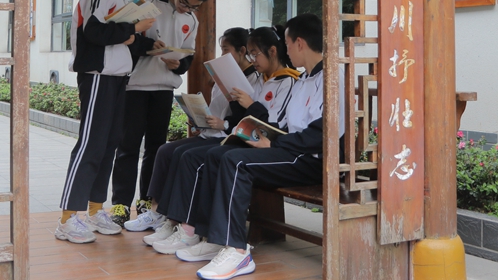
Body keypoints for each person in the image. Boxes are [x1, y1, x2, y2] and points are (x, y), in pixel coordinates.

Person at [193, 14, 341, 279]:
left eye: (287, 44)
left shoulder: (331, 78)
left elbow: (322, 135)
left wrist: (273, 142)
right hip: (292, 149)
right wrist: (260, 134)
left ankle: (237, 251)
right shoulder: (304, 79)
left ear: (299, 43)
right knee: (219, 154)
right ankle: (214, 238)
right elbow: (284, 124)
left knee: (237, 162)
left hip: (312, 159)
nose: (285, 50)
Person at [145, 25, 301, 259]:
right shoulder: (267, 79)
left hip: (263, 145)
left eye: (255, 54)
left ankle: (196, 230)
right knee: (179, 153)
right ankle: (181, 223)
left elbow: (272, 125)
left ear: (272, 51)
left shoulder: (287, 81)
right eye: (250, 54)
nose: (253, 60)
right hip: (243, 138)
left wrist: (245, 110)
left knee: (200, 158)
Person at [54, 0, 158, 244]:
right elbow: (94, 30)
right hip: (98, 75)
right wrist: (132, 29)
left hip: (116, 76)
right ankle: (67, 218)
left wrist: (147, 44)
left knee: (109, 142)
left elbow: (117, 35)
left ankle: (95, 209)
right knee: (91, 143)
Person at [120, 27, 262, 233]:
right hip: (211, 132)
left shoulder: (254, 80)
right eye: (221, 49)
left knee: (183, 155)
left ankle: (176, 219)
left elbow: (248, 117)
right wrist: (201, 121)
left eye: (226, 49)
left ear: (242, 51)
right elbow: (217, 108)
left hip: (227, 136)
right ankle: (156, 212)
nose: (222, 54)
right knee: (164, 151)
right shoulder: (222, 76)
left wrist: (224, 124)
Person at [111, 0, 214, 226]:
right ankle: (120, 204)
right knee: (128, 146)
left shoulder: (192, 20)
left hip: (164, 88)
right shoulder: (147, 1)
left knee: (156, 148)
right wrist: (147, 47)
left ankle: (146, 201)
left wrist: (178, 65)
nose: (187, 8)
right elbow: (121, 35)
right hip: (135, 86)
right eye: (185, 1)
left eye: (194, 6)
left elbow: (188, 56)